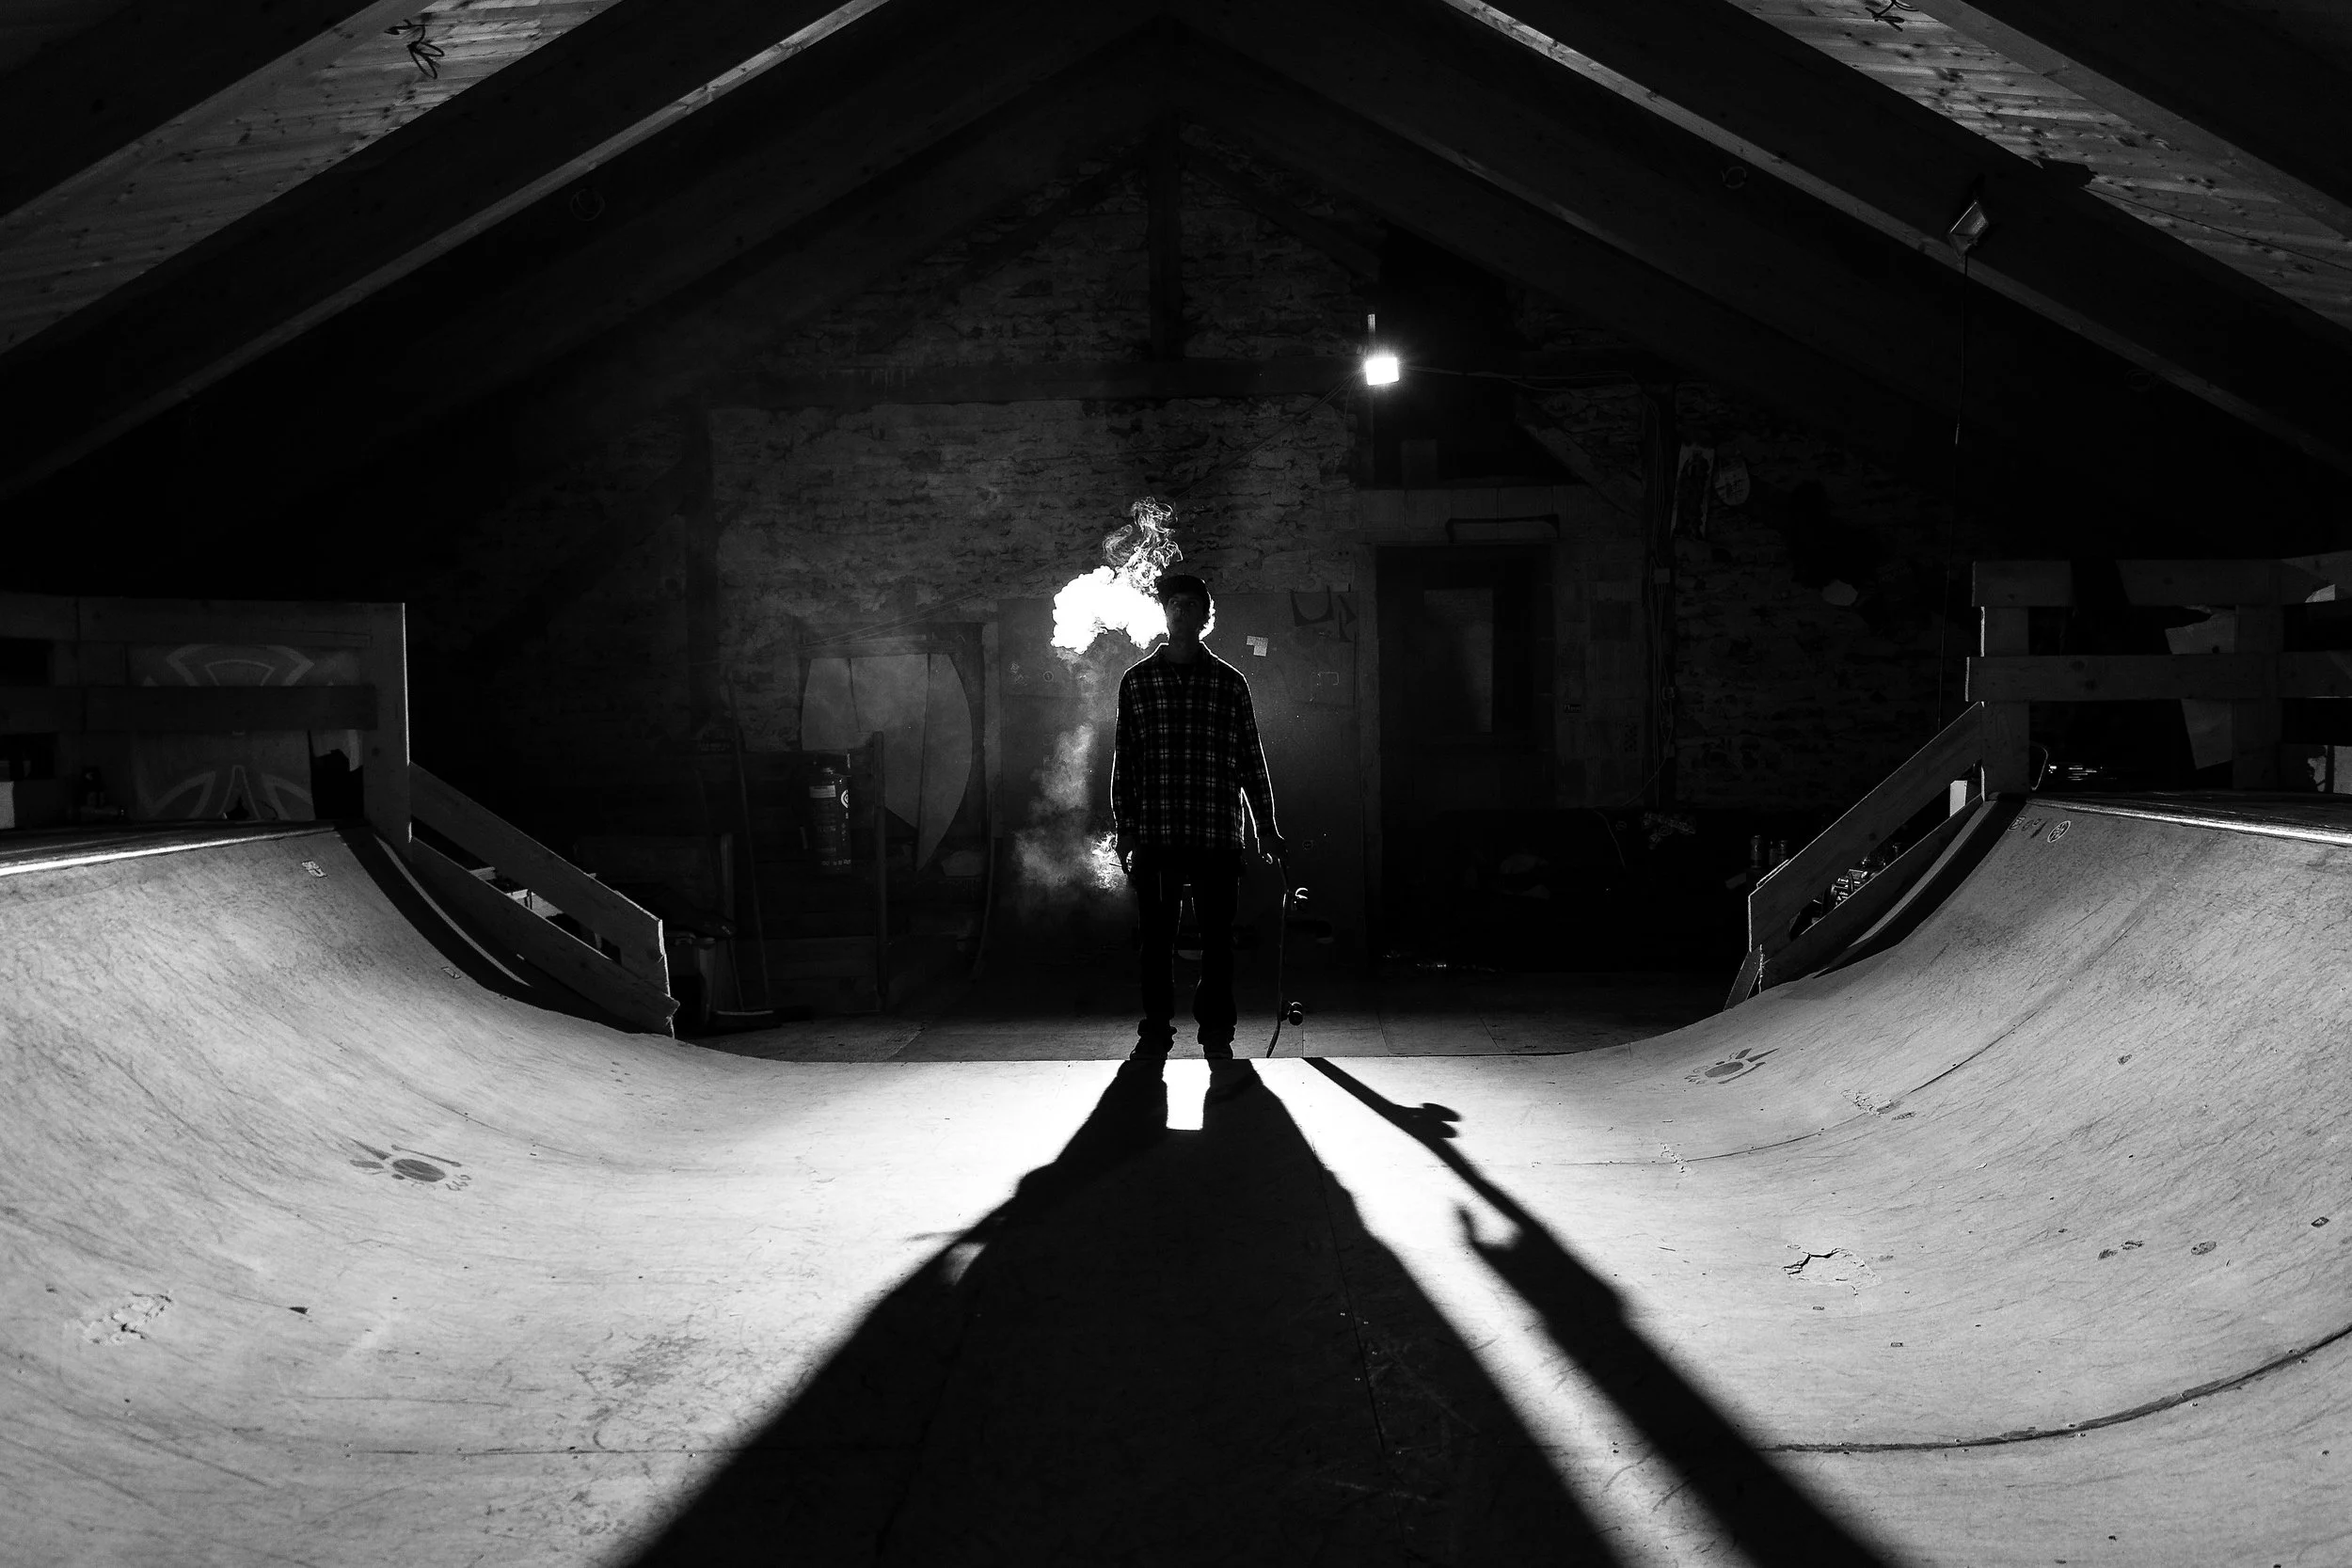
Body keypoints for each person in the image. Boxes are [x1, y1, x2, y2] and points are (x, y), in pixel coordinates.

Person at [1111, 573, 1285, 1077]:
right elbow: (1127, 760)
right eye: (1175, 605)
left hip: (1215, 835)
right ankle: (1156, 1032)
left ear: (1206, 617)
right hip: (1158, 835)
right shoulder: (1138, 682)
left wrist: (1265, 828)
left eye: (1193, 606)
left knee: (1216, 941)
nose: (1183, 613)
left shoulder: (1230, 683)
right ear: (1164, 615)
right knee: (1157, 941)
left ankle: (1215, 1034)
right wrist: (1126, 830)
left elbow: (1251, 760)